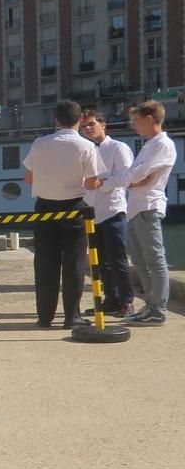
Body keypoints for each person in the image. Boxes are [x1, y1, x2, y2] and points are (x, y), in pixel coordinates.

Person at [86, 100, 177, 325]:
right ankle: (150, 304)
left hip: (149, 206)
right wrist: (131, 179)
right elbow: (133, 176)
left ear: (149, 119)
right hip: (136, 209)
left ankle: (158, 309)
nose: (132, 125)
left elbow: (136, 175)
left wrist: (118, 180)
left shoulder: (163, 145)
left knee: (155, 259)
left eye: (135, 120)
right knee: (139, 260)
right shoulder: (148, 145)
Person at [22, 100, 100, 329]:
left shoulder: (39, 143)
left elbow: (28, 179)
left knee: (45, 263)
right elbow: (93, 181)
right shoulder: (86, 147)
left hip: (44, 209)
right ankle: (71, 317)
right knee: (74, 262)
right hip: (74, 207)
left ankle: (45, 316)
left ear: (56, 120)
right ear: (81, 119)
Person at [78, 111, 135, 317]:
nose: (88, 129)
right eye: (84, 126)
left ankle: (127, 301)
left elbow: (126, 177)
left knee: (118, 259)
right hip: (93, 213)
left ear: (103, 125)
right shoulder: (86, 150)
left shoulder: (118, 148)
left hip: (113, 211)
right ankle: (110, 299)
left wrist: (101, 183)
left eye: (92, 124)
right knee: (101, 262)